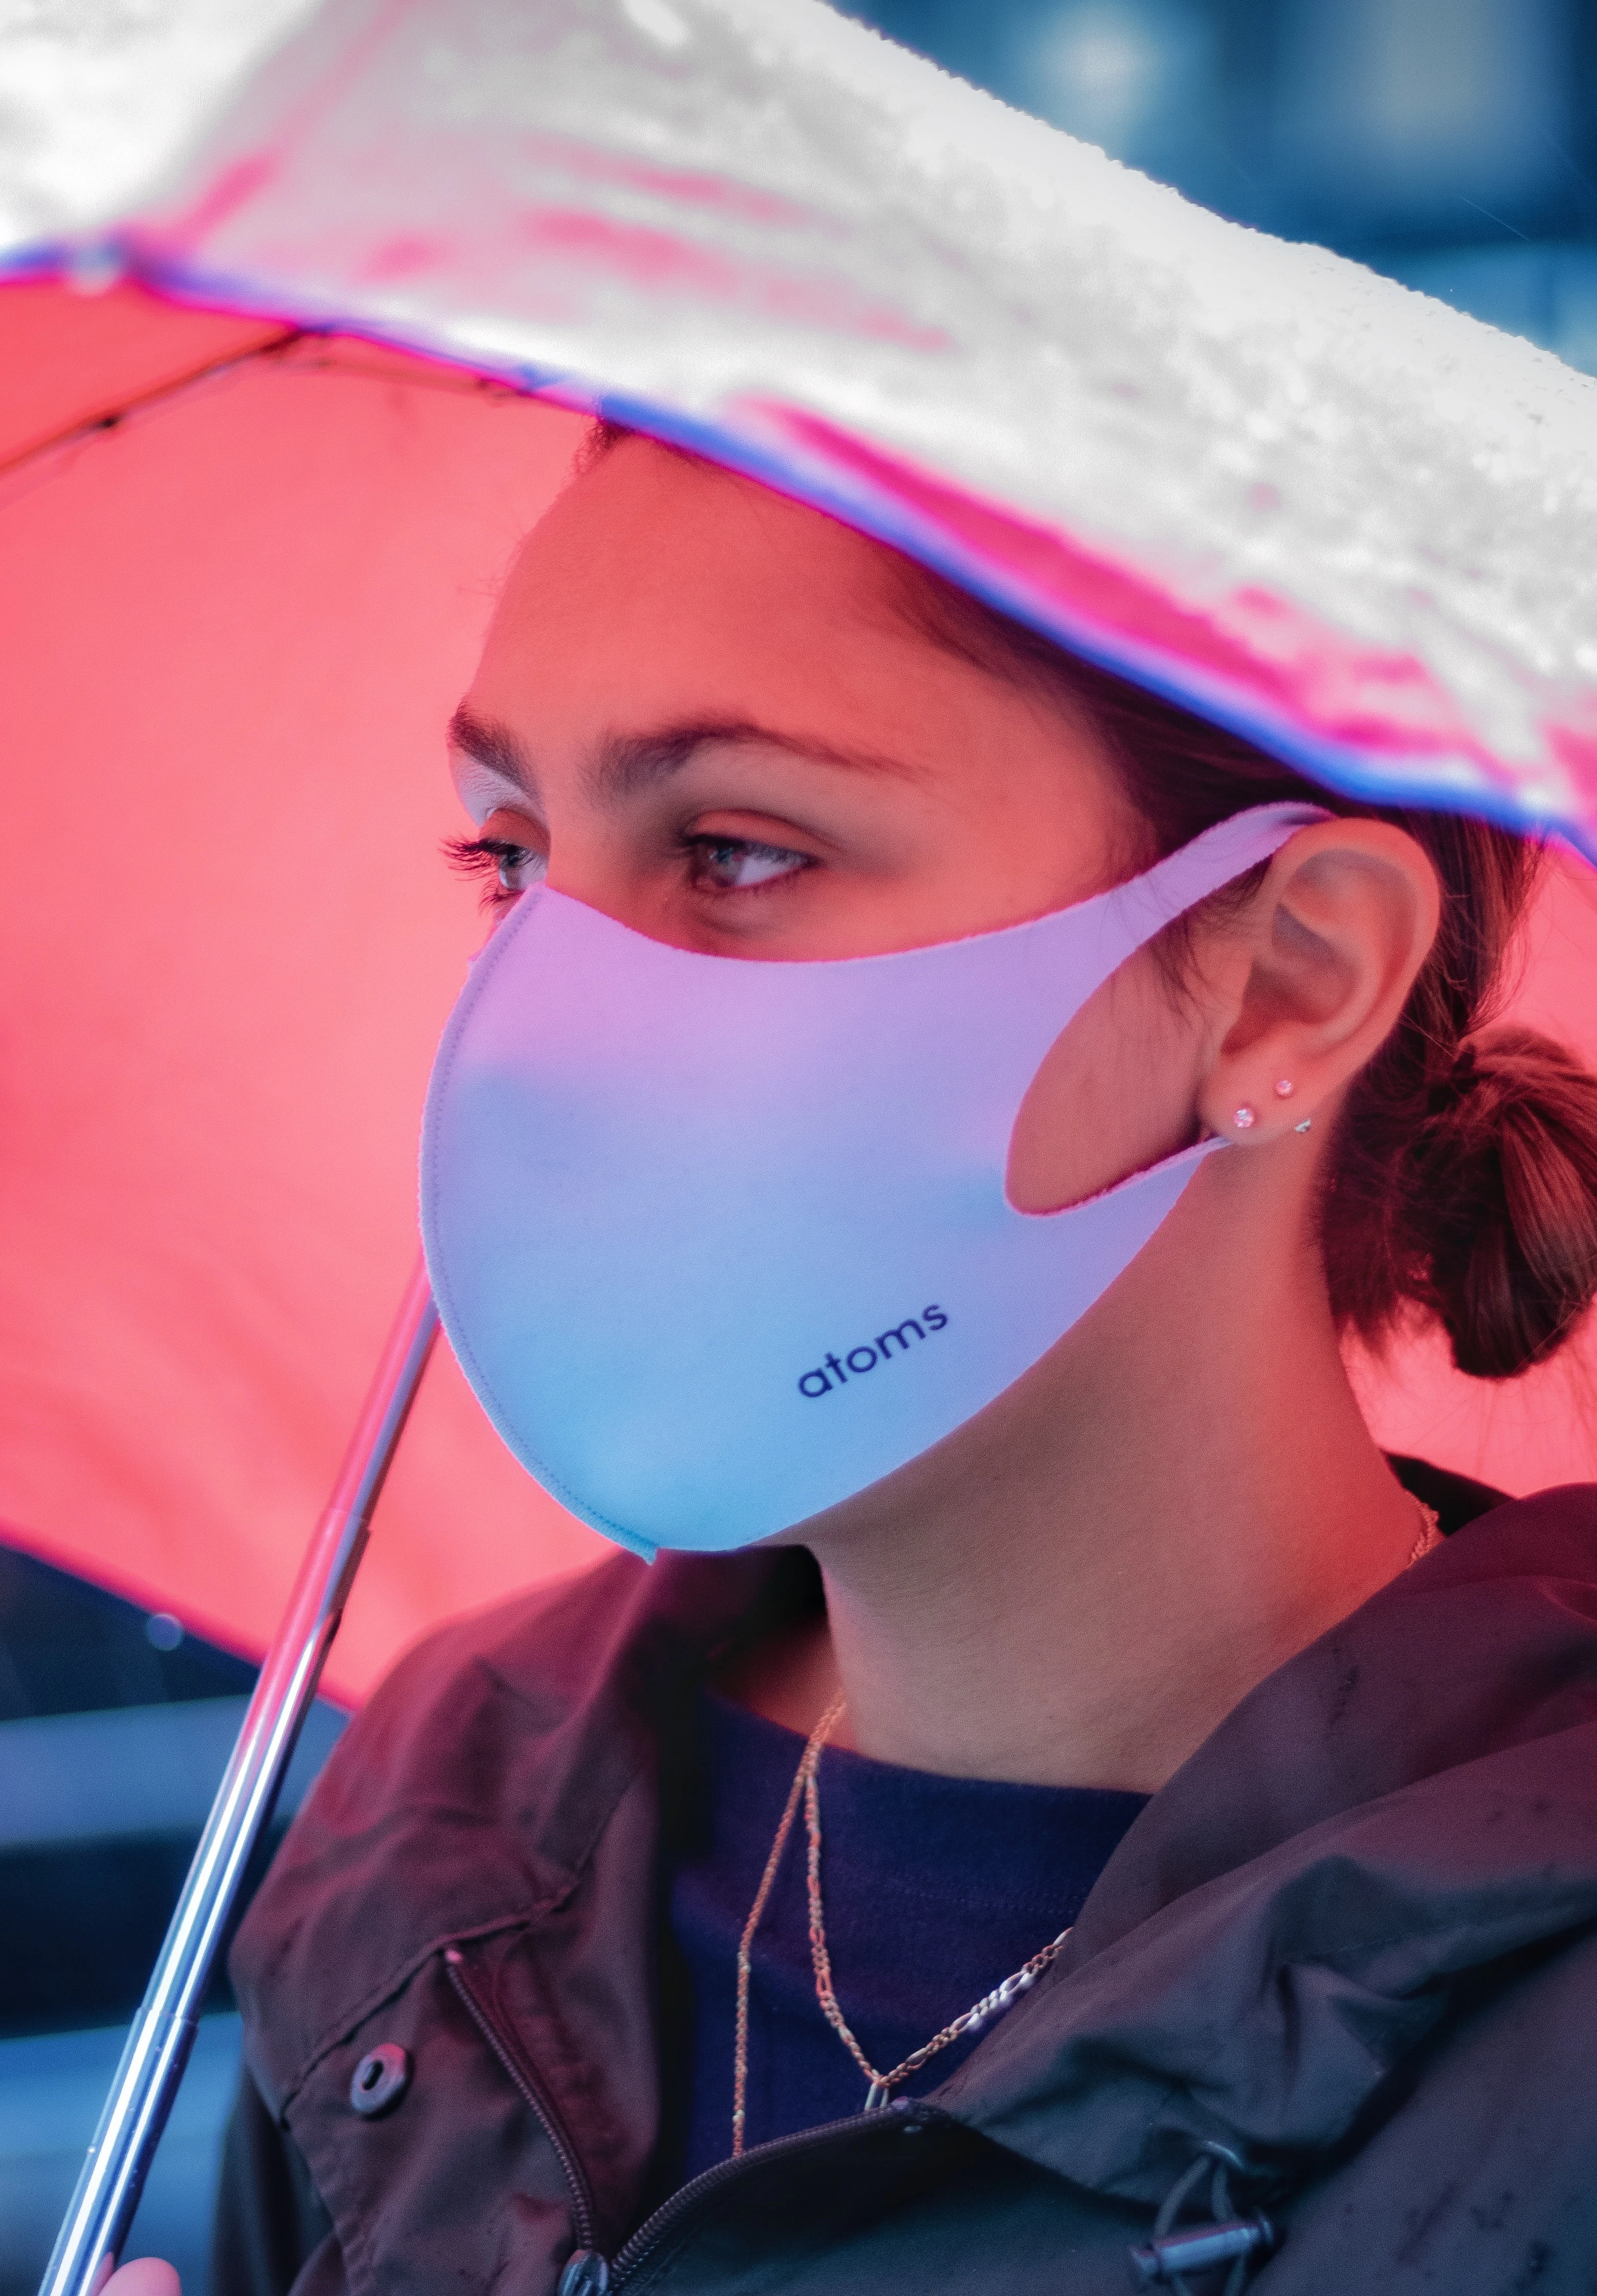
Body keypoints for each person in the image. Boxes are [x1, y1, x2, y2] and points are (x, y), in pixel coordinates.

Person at [114, 426, 1597, 2296]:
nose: (541, 1033)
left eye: (738, 848)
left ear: (1289, 978)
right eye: (511, 857)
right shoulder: (453, 1807)